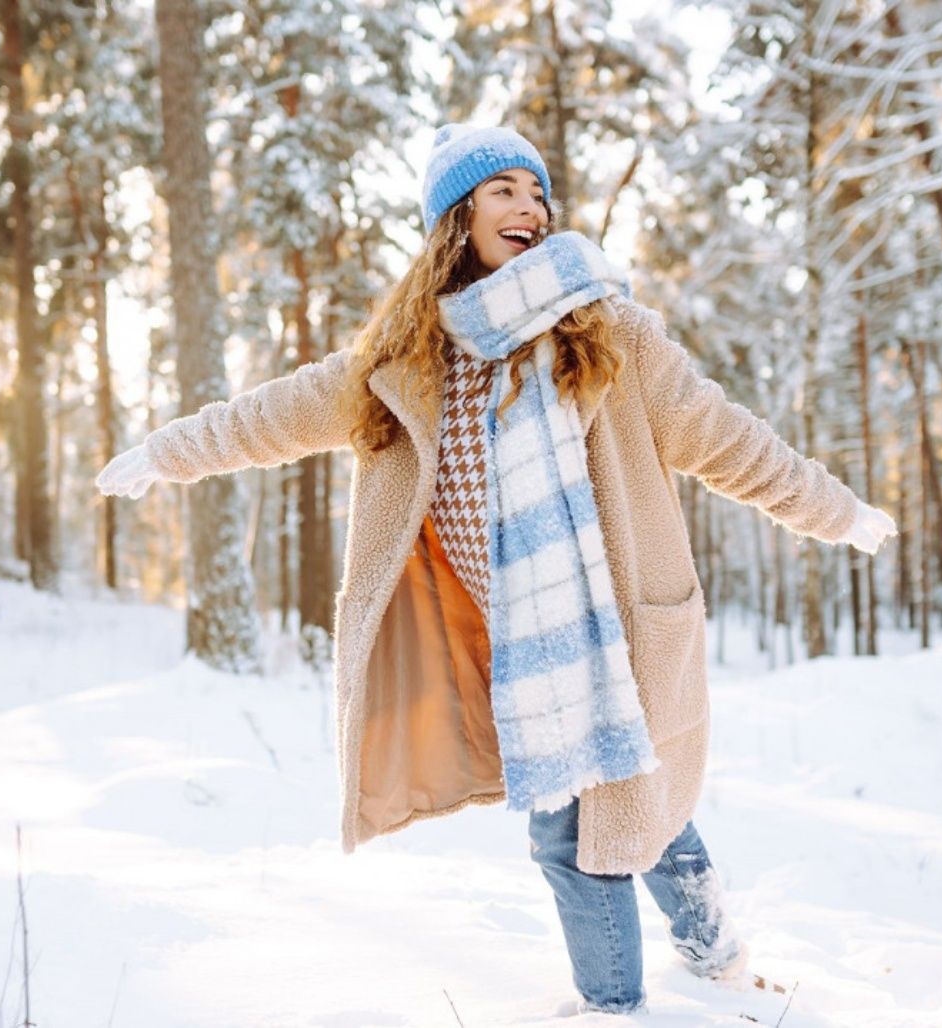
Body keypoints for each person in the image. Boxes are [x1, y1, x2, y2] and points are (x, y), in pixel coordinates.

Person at [96, 124, 897, 1015]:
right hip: (517, 652)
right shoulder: (409, 362)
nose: (529, 206)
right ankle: (718, 962)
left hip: (624, 633)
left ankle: (618, 1009)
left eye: (536, 191)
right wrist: (167, 452)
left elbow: (730, 442)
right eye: (503, 189)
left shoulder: (609, 335)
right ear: (456, 218)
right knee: (634, 801)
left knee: (582, 834)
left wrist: (838, 513)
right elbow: (271, 415)